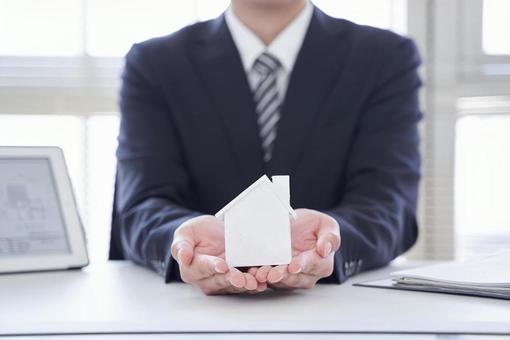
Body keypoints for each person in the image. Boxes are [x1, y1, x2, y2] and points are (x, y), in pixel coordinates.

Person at [110, 0, 422, 295]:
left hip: (336, 311)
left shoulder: (383, 58)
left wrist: (330, 242)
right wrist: (184, 242)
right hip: (188, 315)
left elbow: (388, 204)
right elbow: (142, 204)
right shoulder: (156, 63)